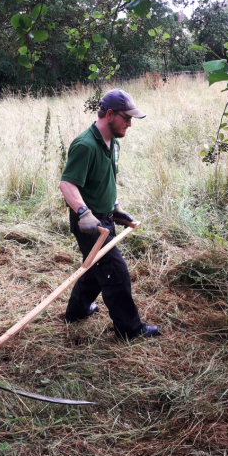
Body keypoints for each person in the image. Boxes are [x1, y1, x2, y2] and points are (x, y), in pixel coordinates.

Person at [59, 89, 161, 340]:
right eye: (126, 117)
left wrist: (115, 208)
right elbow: (67, 185)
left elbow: (107, 179)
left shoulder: (113, 142)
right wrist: (84, 213)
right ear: (109, 114)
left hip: (105, 219)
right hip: (89, 224)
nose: (129, 123)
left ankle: (77, 312)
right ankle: (129, 330)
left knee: (96, 269)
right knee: (115, 272)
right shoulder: (85, 145)